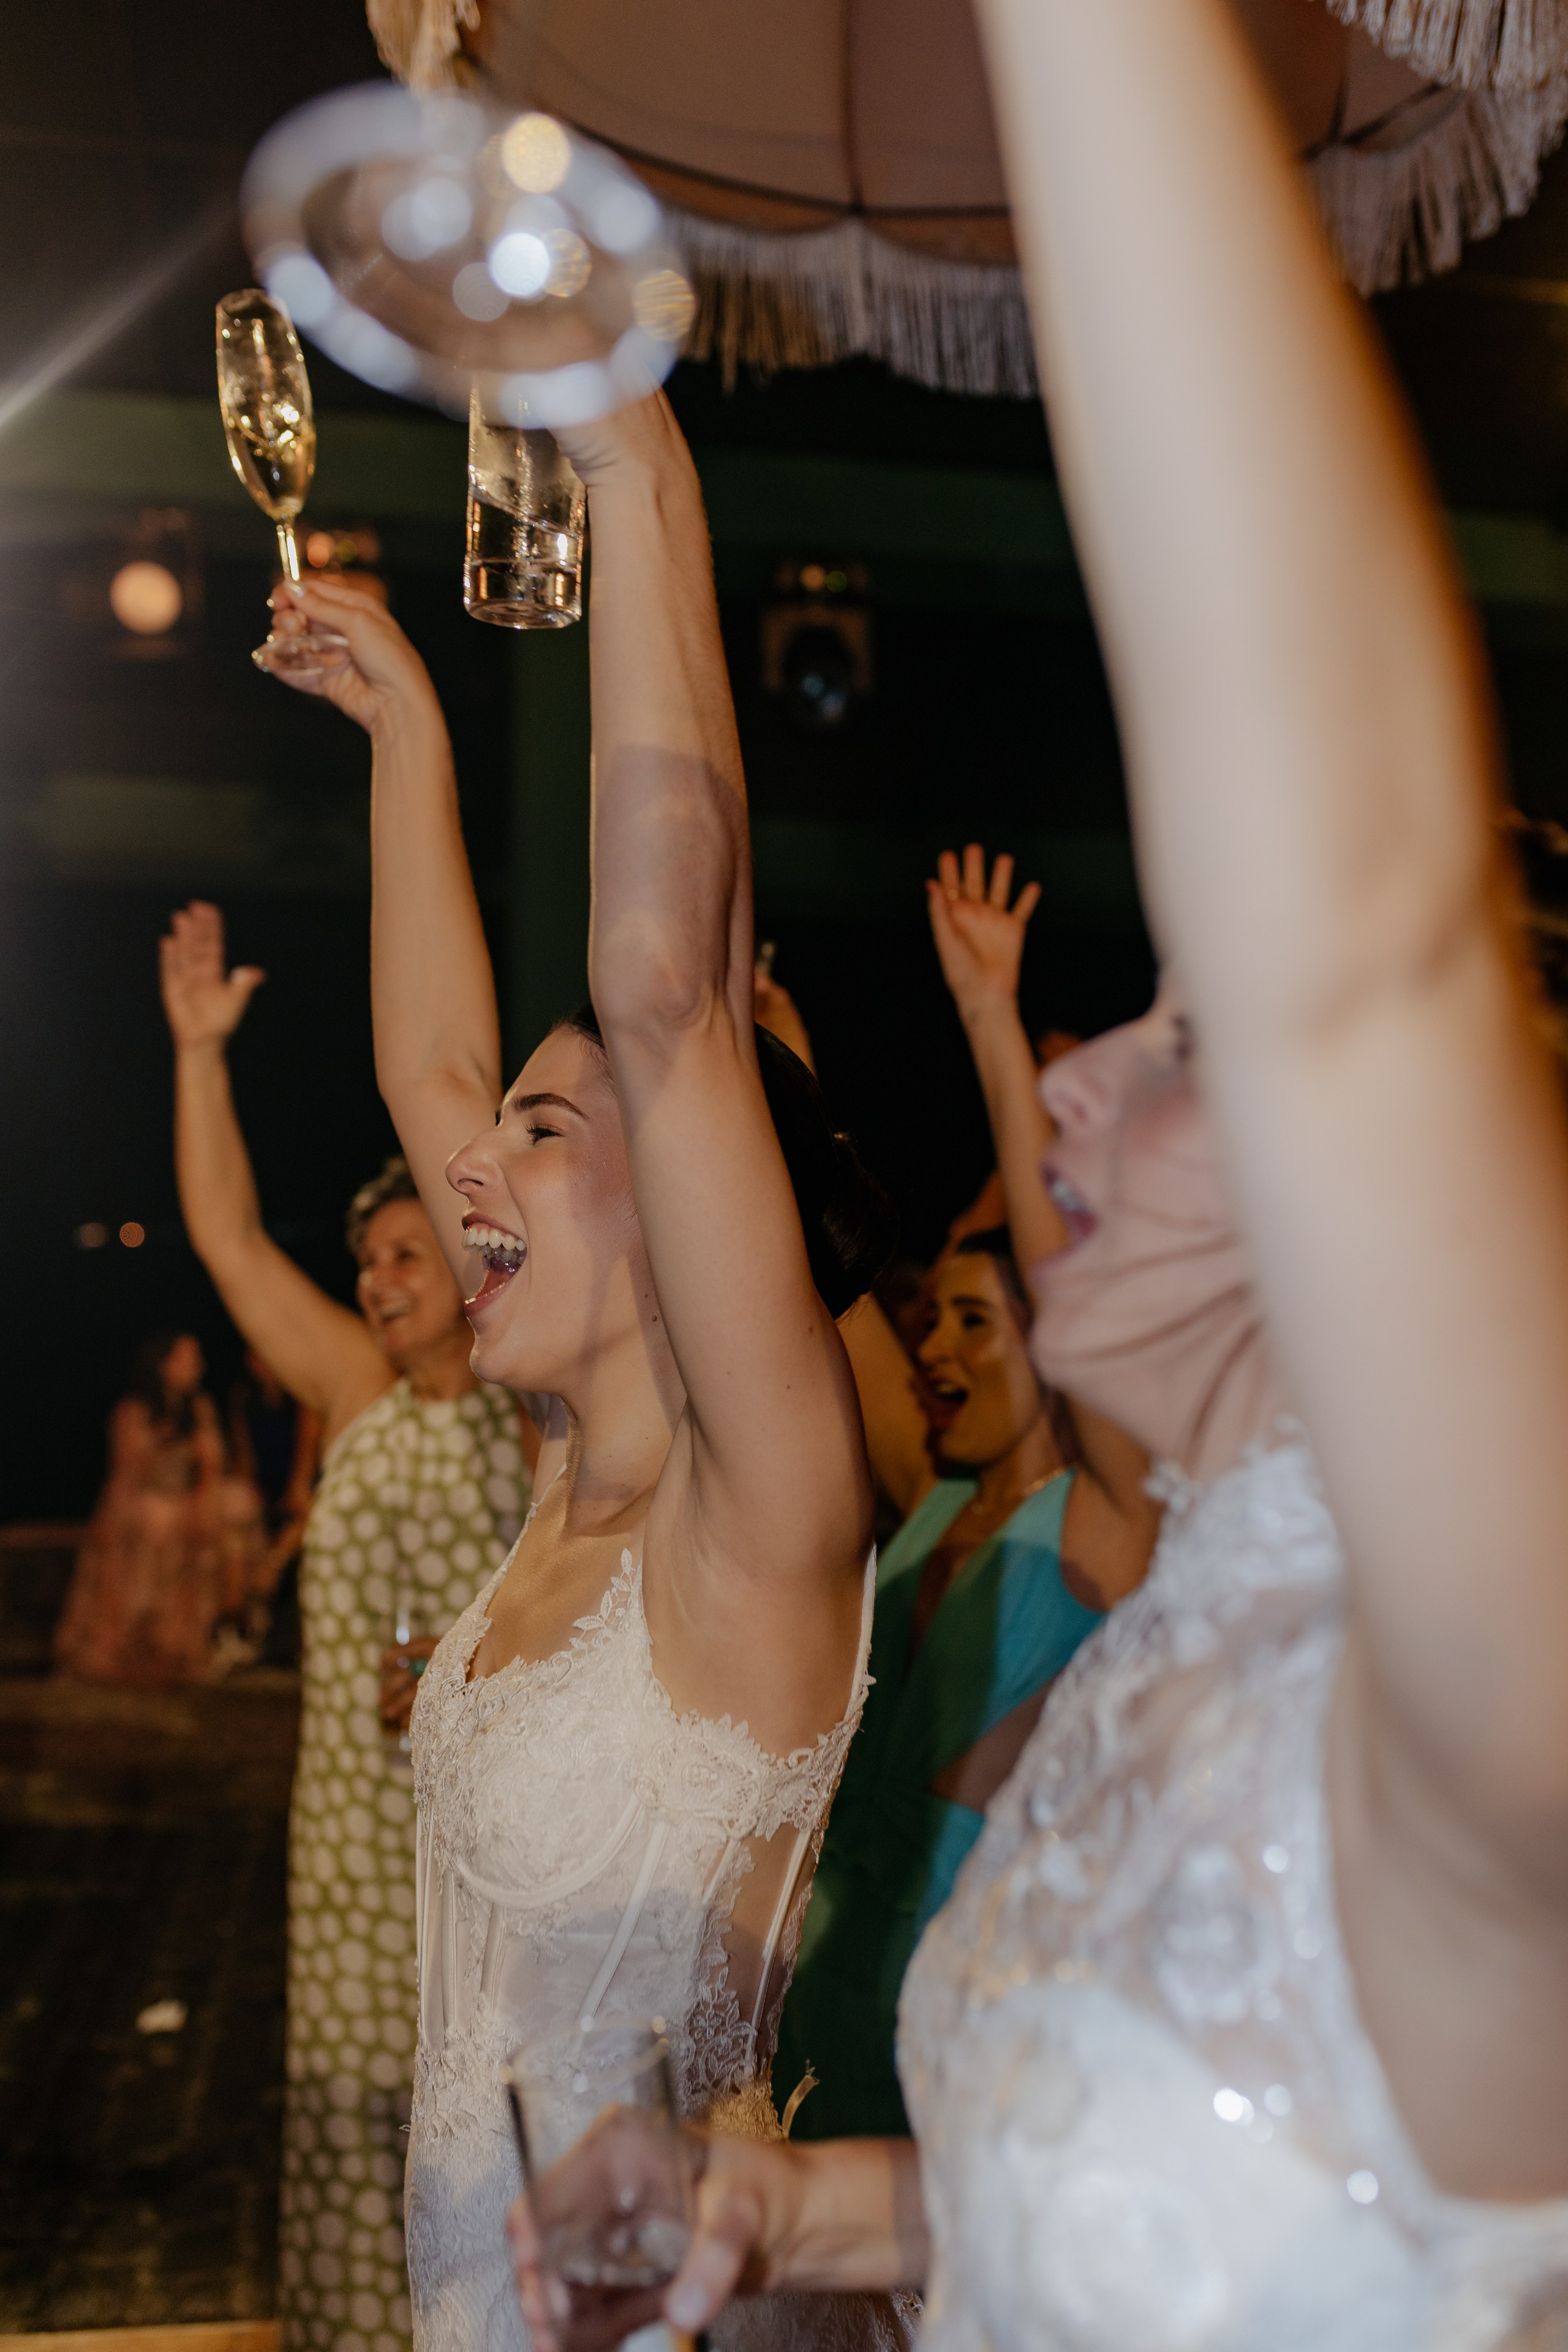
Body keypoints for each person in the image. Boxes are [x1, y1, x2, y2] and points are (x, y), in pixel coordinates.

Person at [509, 2, 1568, 2346]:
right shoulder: (1181, 1636)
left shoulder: (1503, 1646)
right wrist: (805, 2226)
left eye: (1195, 1044)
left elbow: (1354, 947)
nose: (1077, 1085)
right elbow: (1233, 2181)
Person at [270, 388, 907, 2352]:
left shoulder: (763, 1516)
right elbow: (430, 1072)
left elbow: (663, 984)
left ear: (699, 1200)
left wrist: (631, 454)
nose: (476, 1162)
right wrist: (407, 740)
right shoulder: (561, 1479)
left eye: (547, 1134)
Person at [159, 904, 535, 2352]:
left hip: (476, 1837)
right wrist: (200, 1054)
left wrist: (463, 1670)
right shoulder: (354, 1396)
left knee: (461, 2133)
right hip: (347, 1839)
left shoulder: (527, 1421)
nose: (376, 1278)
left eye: (402, 1253)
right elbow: (227, 1235)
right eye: (366, 1256)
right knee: (342, 2134)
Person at [765, 937, 1158, 2143]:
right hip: (806, 2010)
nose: (932, 1348)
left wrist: (992, 1023)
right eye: (930, 1322)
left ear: (1054, 1345)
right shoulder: (927, 1491)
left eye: (971, 1323)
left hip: (952, 2059)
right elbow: (807, 1286)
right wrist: (783, 1087)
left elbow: (1069, 1281)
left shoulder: (1104, 1527)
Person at [56, 1329, 266, 1684]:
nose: (198, 1367)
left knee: (234, 1511)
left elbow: (211, 1467)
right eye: (188, 1358)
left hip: (187, 1503)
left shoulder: (199, 1409)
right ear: (163, 1365)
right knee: (153, 1520)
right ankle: (139, 1640)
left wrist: (194, 1501)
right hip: (143, 1505)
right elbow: (129, 1474)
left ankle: (222, 1631)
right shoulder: (134, 1411)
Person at [228, 1345, 322, 1664]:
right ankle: (243, 1626)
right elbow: (245, 1458)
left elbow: (306, 1456)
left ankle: (270, 1572)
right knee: (238, 1524)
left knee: (302, 1519)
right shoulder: (245, 1399)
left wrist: (296, 1490)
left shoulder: (301, 1398)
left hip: (299, 1483)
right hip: (265, 1488)